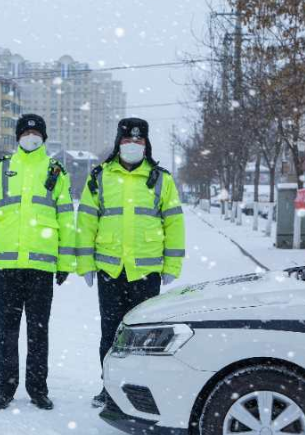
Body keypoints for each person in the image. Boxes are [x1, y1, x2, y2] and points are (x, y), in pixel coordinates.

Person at [76, 118, 185, 408]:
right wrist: (85, 264)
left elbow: (174, 224)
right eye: (127, 140)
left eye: (138, 141)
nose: (133, 145)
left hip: (145, 272)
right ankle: (110, 389)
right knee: (111, 334)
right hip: (110, 271)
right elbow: (86, 221)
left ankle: (142, 391)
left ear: (146, 144)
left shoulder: (161, 178)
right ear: (118, 143)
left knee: (147, 337)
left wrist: (171, 267)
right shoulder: (100, 177)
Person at [0, 114, 76, 411]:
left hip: (41, 268)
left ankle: (37, 388)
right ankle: (5, 388)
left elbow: (66, 219)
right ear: (18, 136)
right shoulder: (2, 170)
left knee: (38, 332)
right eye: (26, 131)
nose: (31, 136)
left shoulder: (56, 171)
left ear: (43, 137)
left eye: (36, 132)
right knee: (7, 331)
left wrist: (65, 262)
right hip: (7, 267)